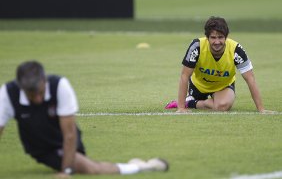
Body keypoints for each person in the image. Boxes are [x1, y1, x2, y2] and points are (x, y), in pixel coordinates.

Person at [0, 61, 168, 177]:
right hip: (36, 146)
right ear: (21, 87)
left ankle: (141, 166)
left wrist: (66, 171)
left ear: (44, 80)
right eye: (31, 94)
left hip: (62, 139)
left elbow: (69, 134)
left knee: (89, 169)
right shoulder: (8, 93)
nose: (37, 99)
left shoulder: (60, 86)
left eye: (39, 92)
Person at [165, 16, 270, 113]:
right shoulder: (197, 46)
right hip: (199, 86)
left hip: (223, 87)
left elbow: (250, 78)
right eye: (213, 37)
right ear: (207, 37)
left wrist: (261, 109)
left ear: (226, 37)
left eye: (220, 37)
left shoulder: (236, 50)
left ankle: (190, 103)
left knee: (222, 107)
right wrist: (181, 108)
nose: (217, 42)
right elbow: (184, 75)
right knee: (212, 104)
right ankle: (185, 102)